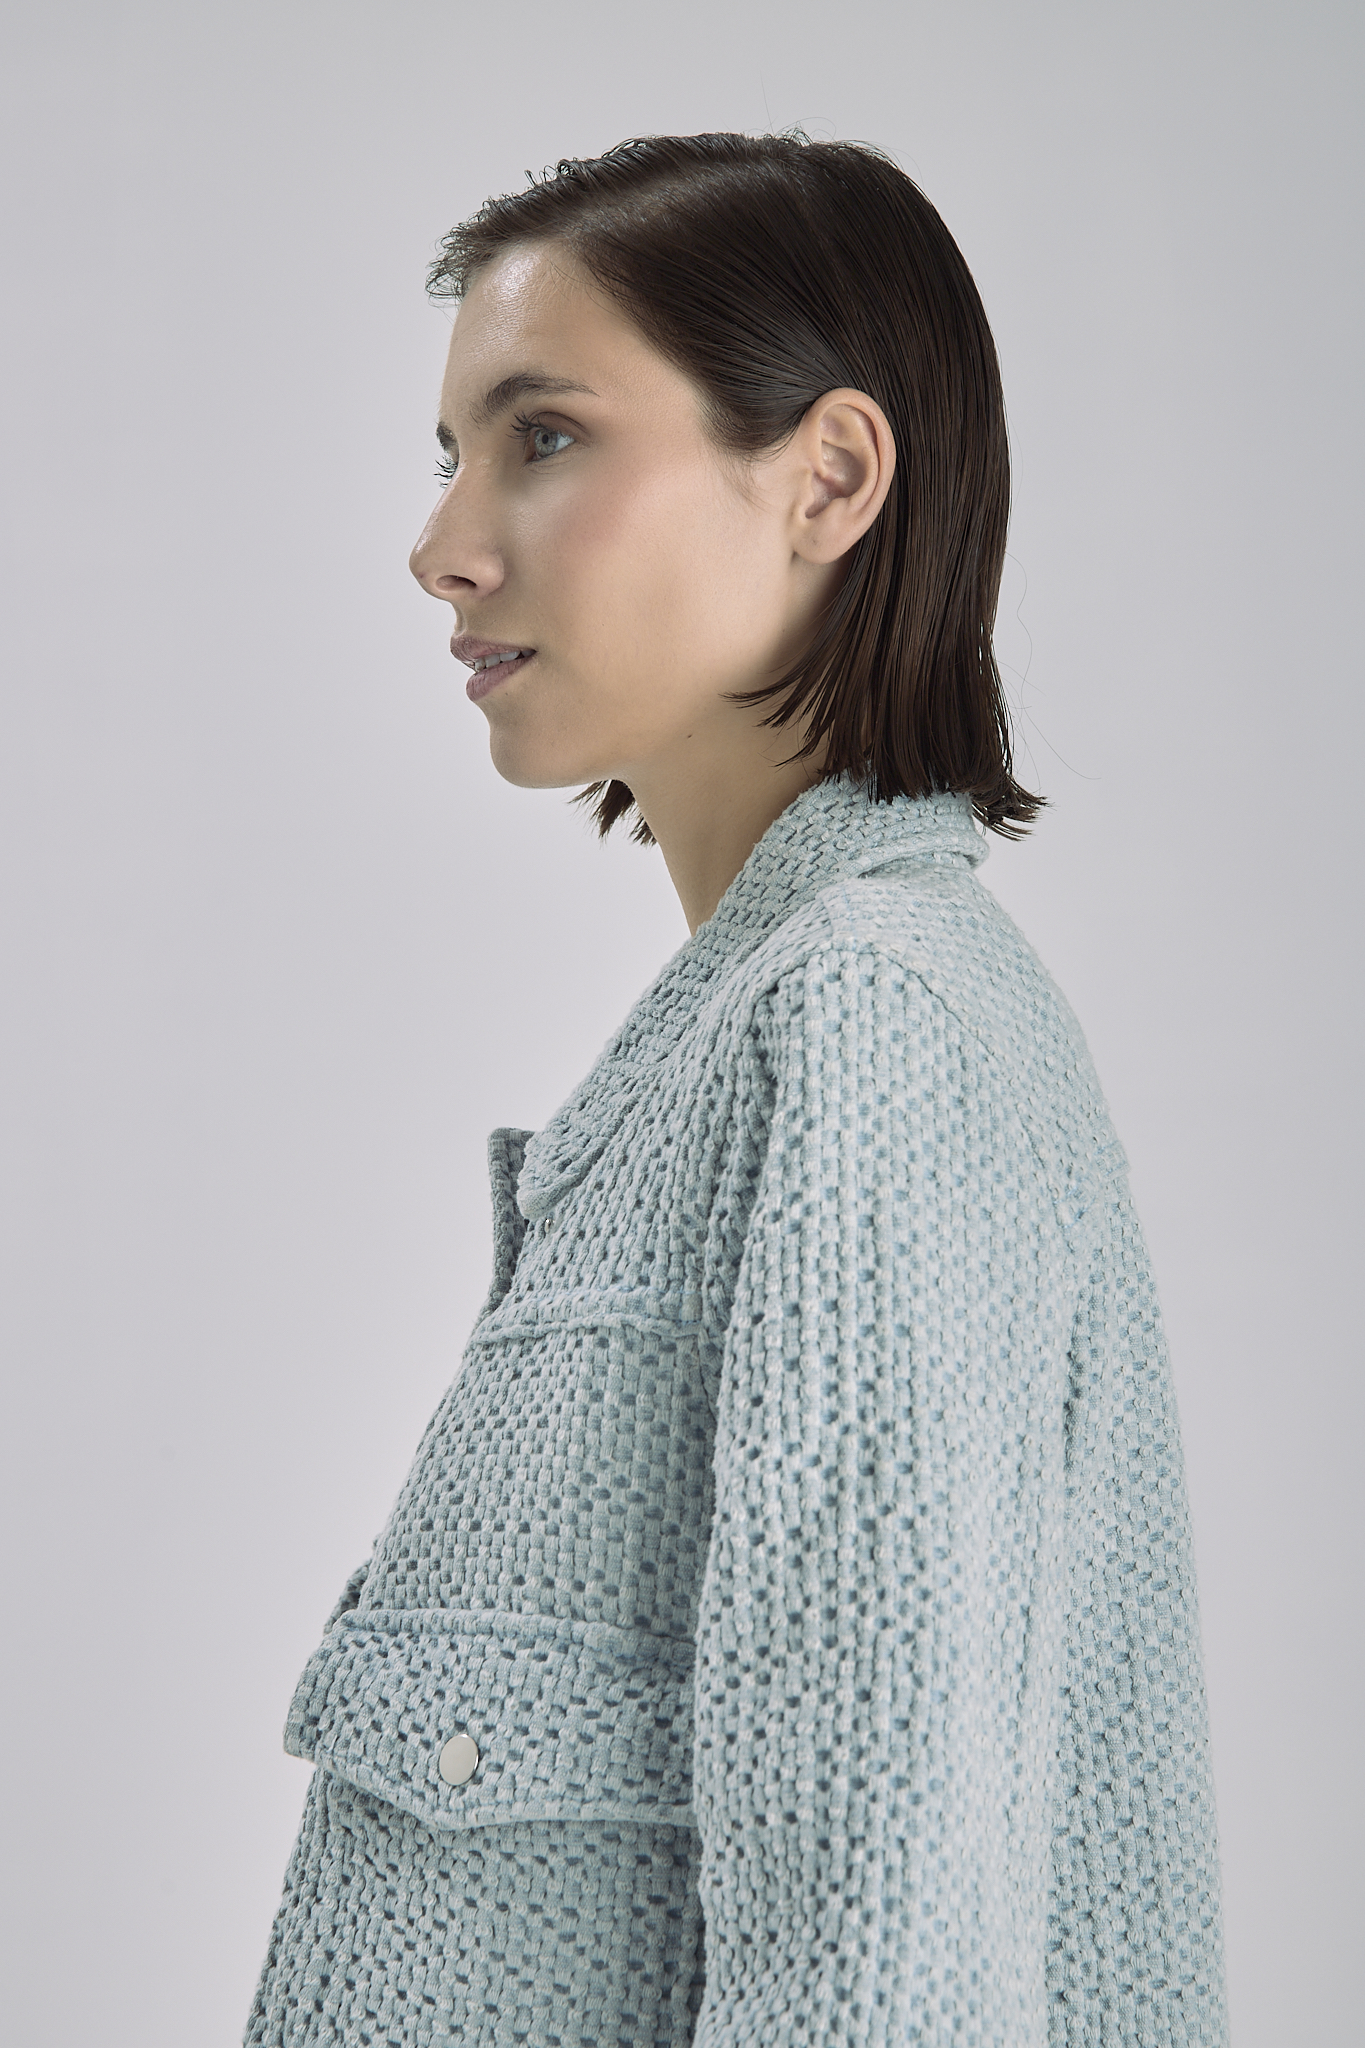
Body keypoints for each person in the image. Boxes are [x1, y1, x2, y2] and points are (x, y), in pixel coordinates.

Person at [244, 131, 1229, 2047]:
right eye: (447, 455)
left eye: (543, 436)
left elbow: (878, 1935)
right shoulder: (779, 1014)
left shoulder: (866, 1021)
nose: (443, 544)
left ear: (829, 478)